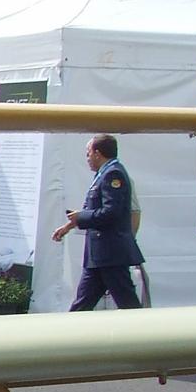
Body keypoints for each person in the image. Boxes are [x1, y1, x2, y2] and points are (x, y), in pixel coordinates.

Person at [51, 133, 145, 310]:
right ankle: (67, 335)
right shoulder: (104, 174)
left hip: (111, 253)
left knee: (128, 305)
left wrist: (82, 217)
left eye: (88, 153)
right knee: (82, 304)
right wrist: (70, 225)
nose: (87, 158)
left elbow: (112, 212)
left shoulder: (113, 174)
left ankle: (148, 335)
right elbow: (93, 209)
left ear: (98, 153)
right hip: (99, 255)